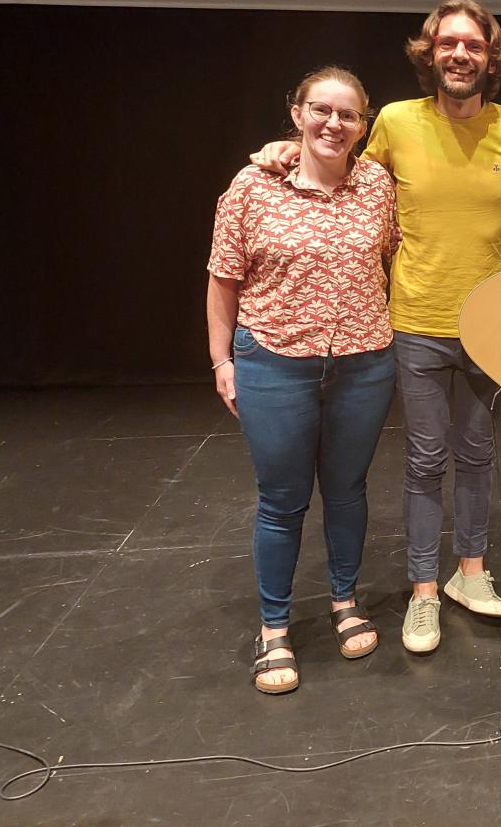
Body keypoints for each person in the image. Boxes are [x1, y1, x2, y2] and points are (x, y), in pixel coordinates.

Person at [251, 0, 501, 656]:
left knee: (480, 454)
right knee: (427, 459)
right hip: (417, 322)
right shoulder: (398, 121)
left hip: (492, 324)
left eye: (473, 45)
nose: (460, 54)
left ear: (492, 57)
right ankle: (424, 591)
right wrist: (287, 148)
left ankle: (472, 574)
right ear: (429, 53)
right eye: (447, 43)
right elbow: (339, 165)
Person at [207, 66, 398, 694]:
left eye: (348, 115)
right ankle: (274, 628)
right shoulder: (252, 186)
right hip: (274, 362)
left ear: (363, 125)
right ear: (297, 113)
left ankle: (344, 601)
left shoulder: (376, 184)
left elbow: (396, 253)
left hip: (364, 362)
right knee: (282, 499)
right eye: (322, 110)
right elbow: (222, 279)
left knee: (346, 490)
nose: (333, 124)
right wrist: (222, 362)